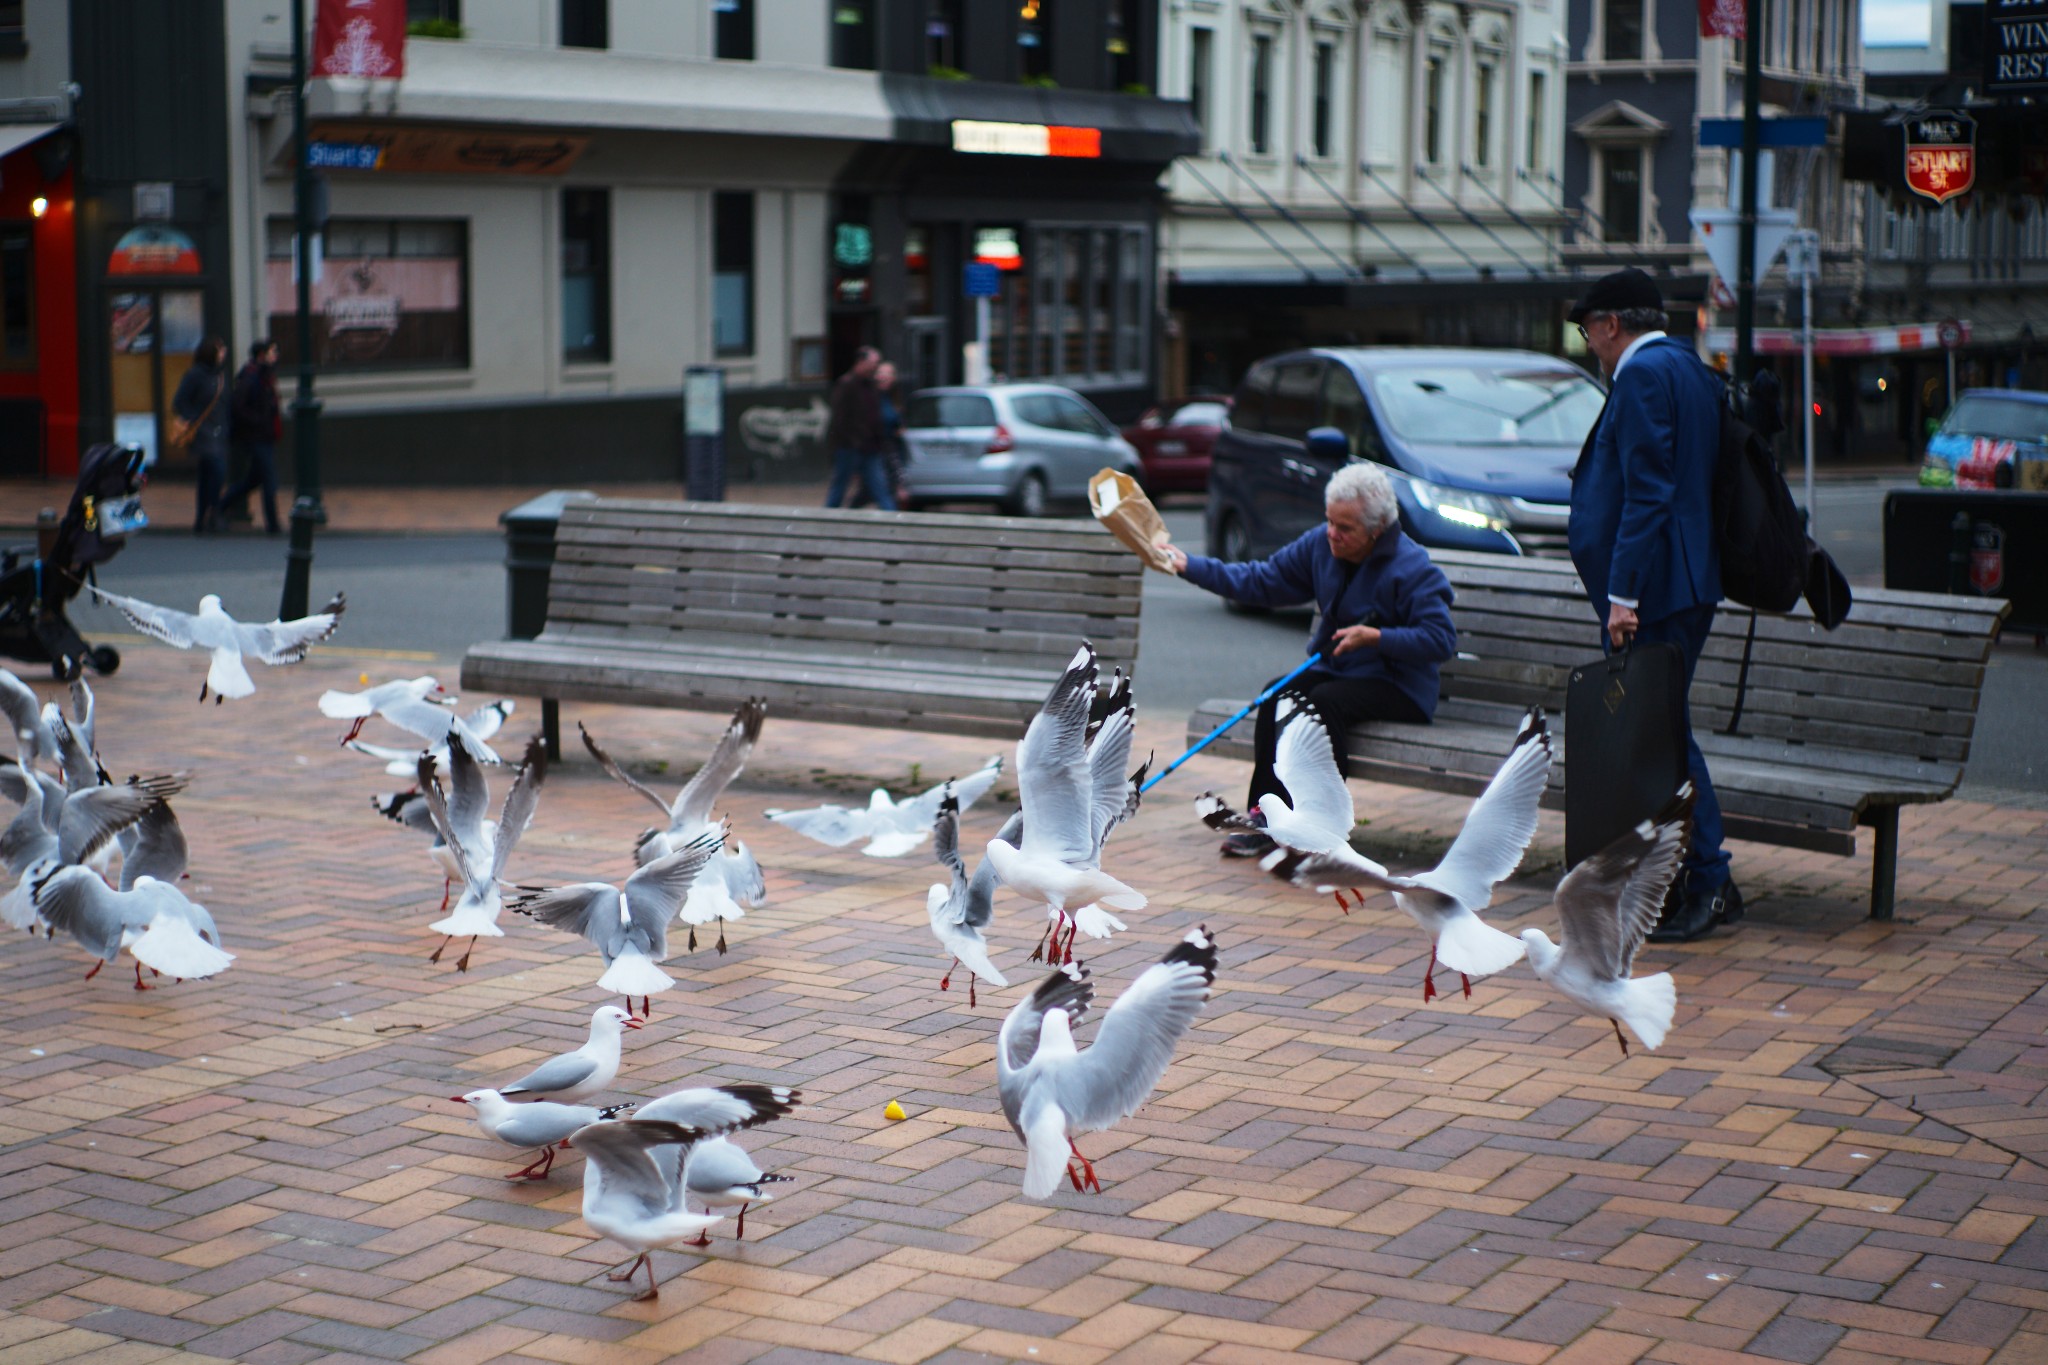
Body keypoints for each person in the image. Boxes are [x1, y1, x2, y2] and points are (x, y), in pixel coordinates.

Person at [1567, 267, 1741, 942]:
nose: (1591, 347)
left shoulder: (1641, 375)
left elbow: (1649, 491)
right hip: (1686, 578)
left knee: (1665, 736)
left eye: (1590, 333)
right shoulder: (1688, 367)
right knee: (1663, 732)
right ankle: (1685, 877)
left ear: (1612, 324)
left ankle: (1710, 878)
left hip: (1658, 589)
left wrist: (1622, 596)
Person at [1162, 462, 1456, 858]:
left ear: (1376, 530)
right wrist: (1190, 566)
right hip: (1340, 670)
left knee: (1325, 702)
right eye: (1329, 521)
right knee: (1277, 693)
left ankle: (1321, 825)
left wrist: (1378, 637)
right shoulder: (1322, 545)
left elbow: (1440, 639)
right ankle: (1265, 818)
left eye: (1345, 528)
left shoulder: (1412, 568)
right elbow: (1261, 580)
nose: (1332, 534)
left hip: (1399, 686)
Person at [221, 338, 282, 535]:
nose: (276, 356)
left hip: (264, 436)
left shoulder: (265, 376)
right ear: (262, 355)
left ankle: (220, 506)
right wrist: (258, 421)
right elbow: (238, 406)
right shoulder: (251, 377)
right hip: (256, 437)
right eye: (272, 352)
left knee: (254, 479)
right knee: (268, 480)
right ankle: (273, 525)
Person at [823, 346, 895, 511]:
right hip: (851, 447)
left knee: (880, 487)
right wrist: (848, 442)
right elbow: (839, 419)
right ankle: (826, 520)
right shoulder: (847, 384)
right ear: (861, 362)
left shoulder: (870, 386)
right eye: (873, 363)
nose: (876, 366)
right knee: (839, 488)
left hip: (870, 447)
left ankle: (893, 520)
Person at [171, 337, 231, 534]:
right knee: (217, 470)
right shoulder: (196, 375)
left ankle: (202, 517)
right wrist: (191, 418)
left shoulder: (219, 376)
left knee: (207, 476)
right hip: (203, 431)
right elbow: (179, 401)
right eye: (220, 351)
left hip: (219, 430)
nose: (224, 354)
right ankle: (214, 513)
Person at [849, 360, 908, 510]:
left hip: (890, 451)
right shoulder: (870, 397)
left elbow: (896, 422)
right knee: (878, 491)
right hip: (873, 450)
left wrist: (899, 428)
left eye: (888, 373)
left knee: (881, 491)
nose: (884, 376)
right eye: (881, 372)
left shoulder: (894, 399)